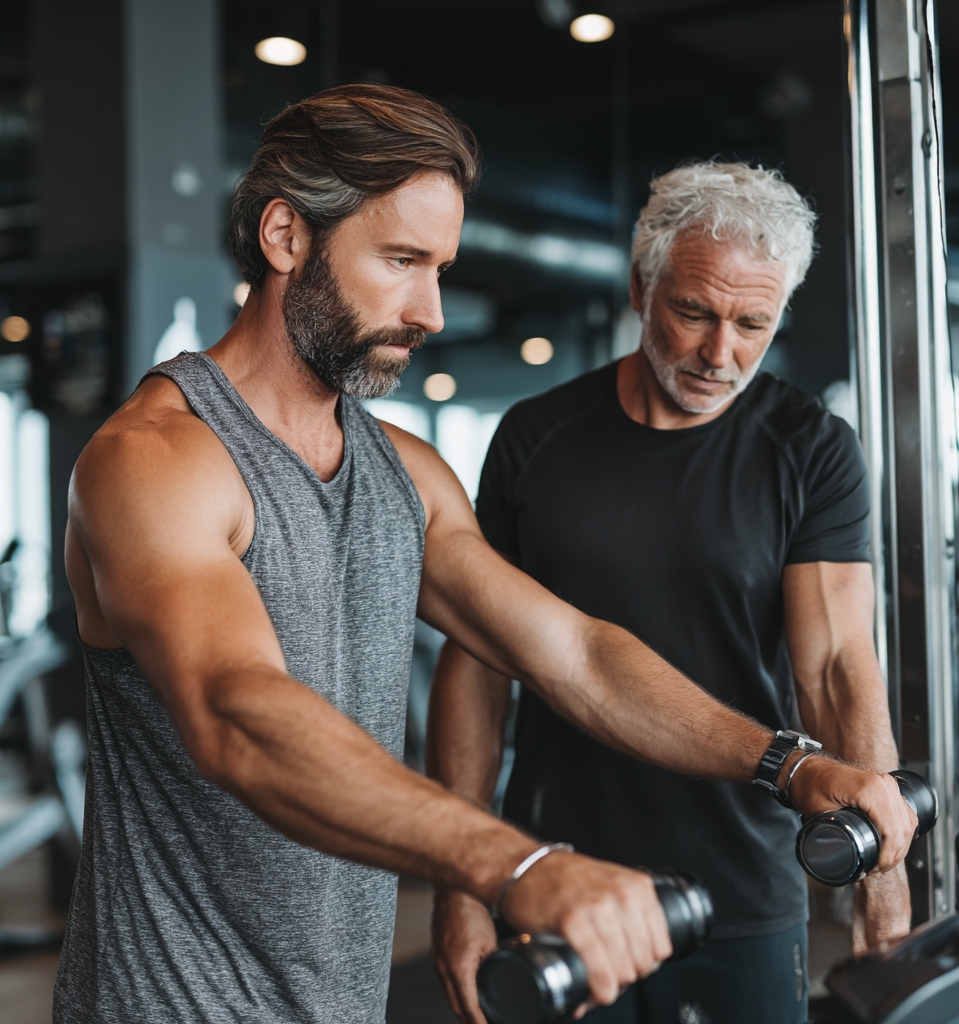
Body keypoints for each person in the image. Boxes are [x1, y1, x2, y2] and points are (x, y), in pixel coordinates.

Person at [53, 90, 915, 1024]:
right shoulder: (154, 460)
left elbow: (573, 656)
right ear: (284, 236)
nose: (430, 308)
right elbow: (237, 714)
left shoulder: (406, 476)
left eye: (442, 268)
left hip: (340, 1002)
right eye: (400, 261)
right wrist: (519, 868)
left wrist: (789, 765)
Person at [429, 162, 912, 1024]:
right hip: (559, 876)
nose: (717, 354)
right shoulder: (537, 437)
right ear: (639, 285)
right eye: (692, 311)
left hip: (744, 879)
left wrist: (884, 879)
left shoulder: (810, 450)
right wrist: (463, 888)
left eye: (752, 323)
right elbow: (477, 662)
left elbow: (837, 664)